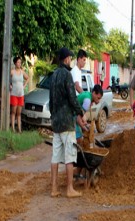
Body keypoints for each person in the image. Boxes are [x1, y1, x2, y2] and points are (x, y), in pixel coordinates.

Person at [49, 47, 87, 198]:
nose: (70, 60)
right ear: (66, 59)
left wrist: (54, 116)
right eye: (70, 58)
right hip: (66, 123)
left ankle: (54, 188)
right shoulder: (67, 75)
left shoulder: (54, 75)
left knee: (55, 157)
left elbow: (51, 100)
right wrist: (80, 112)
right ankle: (70, 189)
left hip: (56, 123)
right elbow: (72, 98)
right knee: (70, 157)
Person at [10, 56, 29, 133]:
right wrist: (10, 85)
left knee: (19, 113)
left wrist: (24, 86)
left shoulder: (22, 71)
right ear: (15, 63)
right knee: (13, 111)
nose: (19, 64)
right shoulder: (12, 71)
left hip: (21, 94)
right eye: (18, 62)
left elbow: (27, 78)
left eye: (20, 62)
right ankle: (13, 128)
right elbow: (7, 79)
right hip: (14, 94)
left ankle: (20, 129)